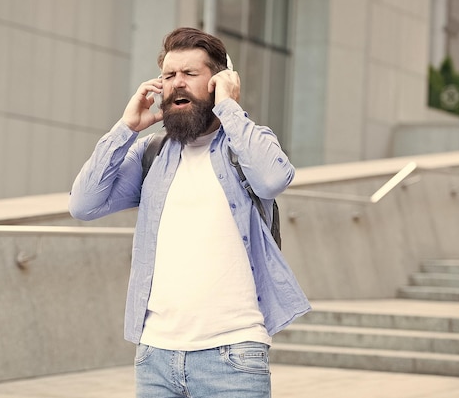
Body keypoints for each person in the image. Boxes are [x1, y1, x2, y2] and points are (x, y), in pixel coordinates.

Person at [69, 27, 310, 398]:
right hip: (155, 357)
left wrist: (228, 105)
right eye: (168, 76)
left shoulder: (247, 143)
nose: (176, 84)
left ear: (217, 81)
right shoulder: (151, 153)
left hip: (233, 357)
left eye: (190, 74)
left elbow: (274, 178)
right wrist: (126, 128)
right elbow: (83, 204)